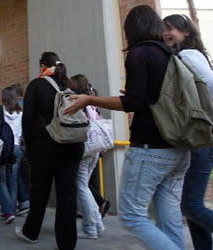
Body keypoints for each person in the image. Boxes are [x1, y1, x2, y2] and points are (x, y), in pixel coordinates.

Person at [64, 6, 190, 250]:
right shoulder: (171, 54)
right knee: (169, 216)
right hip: (180, 149)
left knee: (132, 216)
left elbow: (132, 103)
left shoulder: (138, 54)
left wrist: (89, 99)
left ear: (131, 29)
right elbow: (150, 98)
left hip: (151, 148)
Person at [164, 14, 213, 249]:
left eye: (171, 28)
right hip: (208, 140)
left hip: (205, 139)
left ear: (186, 33)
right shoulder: (192, 55)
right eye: (163, 28)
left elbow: (209, 83)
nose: (166, 32)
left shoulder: (186, 54)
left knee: (192, 206)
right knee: (191, 204)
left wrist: (193, 110)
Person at [16, 52, 84, 250]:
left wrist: (28, 146)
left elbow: (27, 120)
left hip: (45, 147)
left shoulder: (37, 85)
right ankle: (67, 243)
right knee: (67, 193)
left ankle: (31, 232)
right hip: (73, 145)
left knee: (39, 191)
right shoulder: (68, 86)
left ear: (42, 65)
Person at [69, 74, 104, 239]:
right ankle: (97, 222)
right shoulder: (93, 103)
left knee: (82, 187)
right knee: (85, 187)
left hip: (84, 149)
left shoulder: (79, 104)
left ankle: (91, 227)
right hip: (95, 149)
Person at [0, 86, 23, 224]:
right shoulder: (21, 112)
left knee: (0, 180)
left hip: (2, 149)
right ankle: (11, 209)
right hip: (17, 148)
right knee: (13, 180)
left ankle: (8, 211)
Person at [9, 83, 30, 216]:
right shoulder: (27, 104)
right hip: (25, 144)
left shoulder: (14, 105)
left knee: (15, 175)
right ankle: (25, 201)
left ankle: (22, 202)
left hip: (17, 143)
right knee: (23, 174)